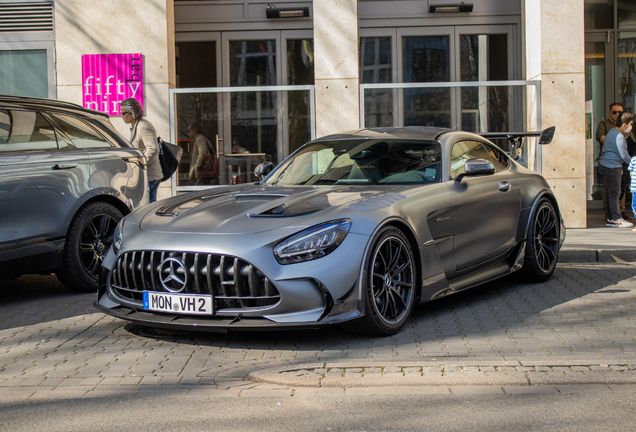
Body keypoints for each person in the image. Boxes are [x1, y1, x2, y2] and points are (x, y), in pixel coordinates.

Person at [596, 103, 636, 220]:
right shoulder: (616, 134)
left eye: (620, 112)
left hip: (614, 164)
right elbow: (623, 153)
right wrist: (633, 163)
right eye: (615, 112)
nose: (617, 114)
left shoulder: (614, 132)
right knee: (614, 192)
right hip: (612, 164)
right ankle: (616, 217)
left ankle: (614, 215)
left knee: (616, 190)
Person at [120, 98, 162, 203]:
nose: (122, 116)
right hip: (147, 176)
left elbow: (153, 148)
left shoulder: (143, 127)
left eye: (124, 113)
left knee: (148, 209)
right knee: (148, 207)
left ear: (132, 113)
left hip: (150, 176)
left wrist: (142, 163)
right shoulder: (136, 126)